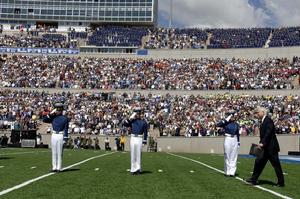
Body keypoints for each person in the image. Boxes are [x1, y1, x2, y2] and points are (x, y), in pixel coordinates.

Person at [246, 106, 285, 187]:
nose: (256, 114)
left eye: (257, 112)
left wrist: (262, 143)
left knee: (276, 165)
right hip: (265, 148)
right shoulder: (263, 121)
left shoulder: (268, 120)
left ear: (263, 112)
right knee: (258, 162)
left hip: (271, 148)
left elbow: (268, 133)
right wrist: (262, 143)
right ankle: (253, 179)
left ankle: (281, 183)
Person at [43, 102, 69, 172]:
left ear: (61, 110)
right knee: (54, 152)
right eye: (57, 110)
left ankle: (59, 167)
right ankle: (54, 167)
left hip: (60, 135)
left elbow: (66, 129)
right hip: (54, 135)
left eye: (59, 110)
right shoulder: (53, 117)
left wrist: (65, 138)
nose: (58, 111)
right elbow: (44, 120)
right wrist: (50, 113)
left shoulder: (65, 118)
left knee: (59, 152)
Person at [124, 107, 148, 175]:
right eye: (136, 113)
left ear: (140, 114)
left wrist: (144, 141)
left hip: (139, 138)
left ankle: (138, 169)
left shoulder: (144, 122)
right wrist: (130, 117)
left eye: (138, 113)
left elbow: (145, 132)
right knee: (133, 154)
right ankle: (132, 169)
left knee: (138, 154)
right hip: (133, 138)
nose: (137, 115)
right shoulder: (132, 121)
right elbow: (125, 124)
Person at [216, 111, 240, 177]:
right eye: (232, 116)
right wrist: (227, 119)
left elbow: (237, 134)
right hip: (228, 138)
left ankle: (232, 172)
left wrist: (238, 142)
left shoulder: (236, 124)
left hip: (235, 139)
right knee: (227, 155)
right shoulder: (225, 123)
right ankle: (227, 171)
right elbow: (218, 125)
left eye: (234, 116)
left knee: (234, 156)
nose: (234, 117)